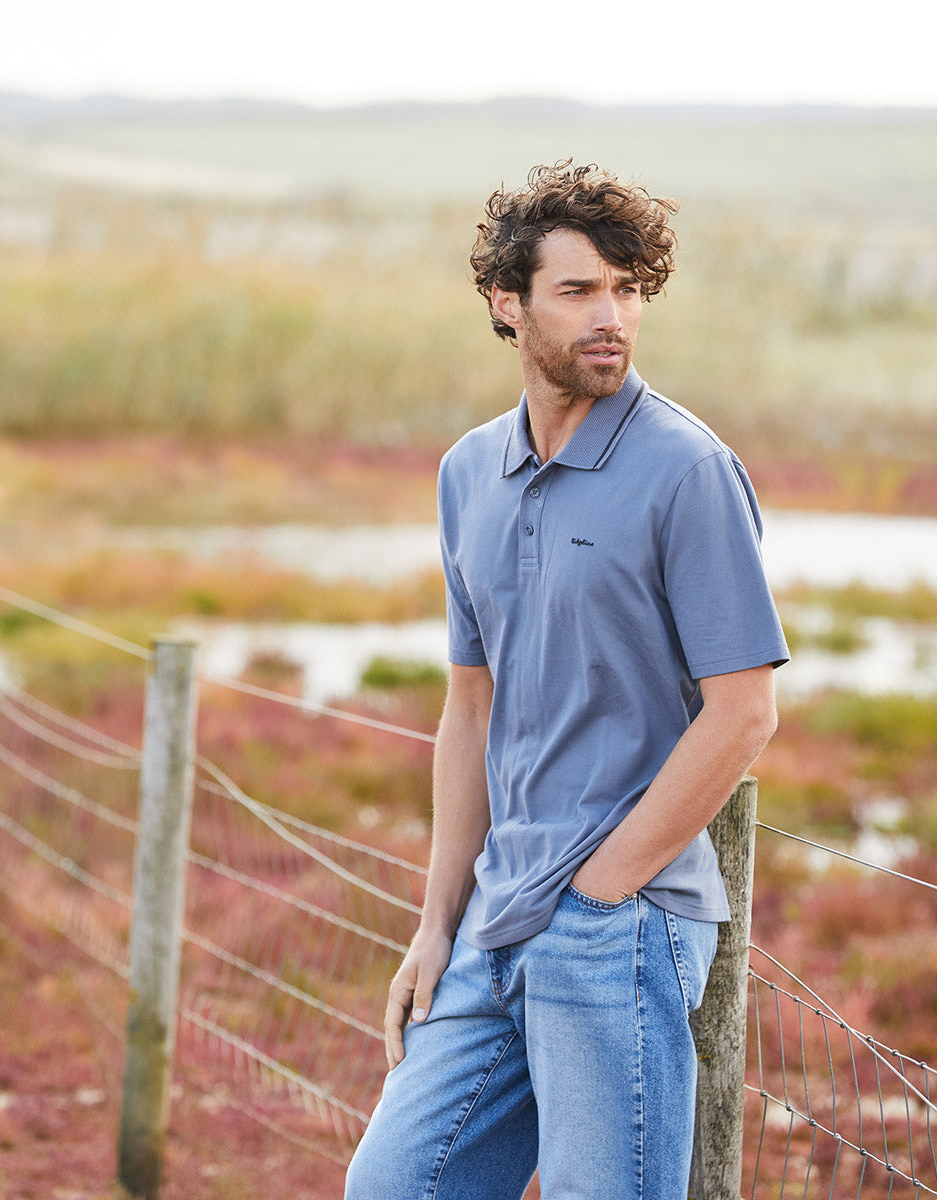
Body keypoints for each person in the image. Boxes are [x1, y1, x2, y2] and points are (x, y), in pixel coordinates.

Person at [344, 161, 789, 1200]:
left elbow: (744, 710)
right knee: (398, 1185)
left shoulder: (688, 470)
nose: (614, 318)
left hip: (617, 925)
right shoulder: (468, 473)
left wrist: (605, 887)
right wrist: (436, 922)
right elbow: (470, 707)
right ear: (508, 304)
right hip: (494, 918)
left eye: (630, 291)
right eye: (581, 290)